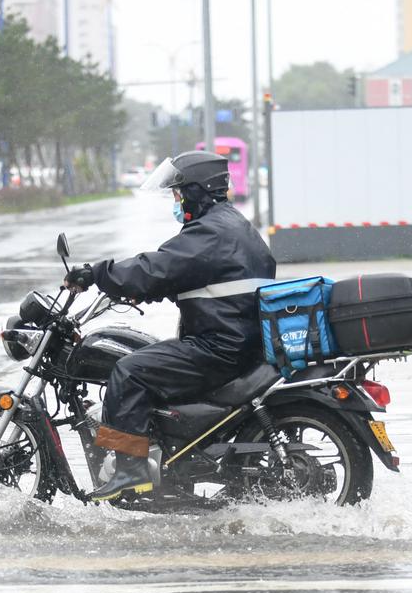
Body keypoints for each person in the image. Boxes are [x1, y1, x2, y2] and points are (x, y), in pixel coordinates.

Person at [63, 151, 276, 502]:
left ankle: (130, 473)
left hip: (219, 347)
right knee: (148, 360)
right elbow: (195, 278)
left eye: (179, 194)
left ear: (197, 191)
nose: (176, 202)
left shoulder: (209, 232)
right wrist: (149, 292)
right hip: (239, 341)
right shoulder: (230, 224)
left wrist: (98, 274)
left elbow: (156, 267)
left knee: (129, 370)